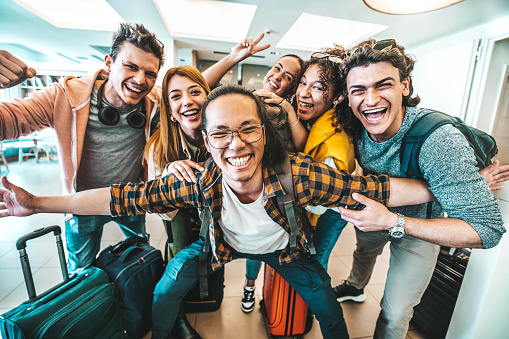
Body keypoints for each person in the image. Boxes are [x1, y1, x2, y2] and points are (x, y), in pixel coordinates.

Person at [0, 84, 439, 339]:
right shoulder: (197, 179)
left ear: (265, 134)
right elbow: (119, 197)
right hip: (219, 247)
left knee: (324, 301)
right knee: (167, 287)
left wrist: (444, 185)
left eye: (248, 128)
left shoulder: (298, 174)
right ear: (207, 143)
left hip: (285, 252)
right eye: (222, 134)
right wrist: (37, 203)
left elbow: (372, 187)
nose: (236, 144)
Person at [332, 38, 506, 339]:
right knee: (363, 253)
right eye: (358, 90)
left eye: (382, 85)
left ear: (405, 86)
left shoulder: (439, 141)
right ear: (348, 97)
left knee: (395, 313)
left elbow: (487, 231)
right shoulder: (352, 125)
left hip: (420, 227)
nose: (370, 100)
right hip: (372, 219)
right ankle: (355, 287)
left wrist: (394, 221)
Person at [0, 23, 164, 273]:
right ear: (109, 62)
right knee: (80, 272)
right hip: (79, 205)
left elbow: (192, 93)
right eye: (130, 66)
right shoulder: (64, 96)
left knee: (141, 256)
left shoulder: (154, 102)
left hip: (130, 199)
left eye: (150, 73)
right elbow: (8, 123)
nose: (140, 80)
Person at [202, 34, 308, 312]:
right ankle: (249, 287)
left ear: (294, 88)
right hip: (235, 186)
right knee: (243, 241)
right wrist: (236, 57)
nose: (279, 77)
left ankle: (267, 298)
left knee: (269, 245)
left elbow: (302, 145)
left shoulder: (290, 111)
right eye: (277, 68)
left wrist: (285, 105)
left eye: (289, 77)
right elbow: (202, 87)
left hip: (274, 192)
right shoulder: (240, 99)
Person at [144, 65, 210, 339]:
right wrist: (169, 177)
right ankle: (174, 321)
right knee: (171, 279)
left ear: (209, 98)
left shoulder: (228, 132)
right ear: (169, 110)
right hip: (182, 223)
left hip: (227, 223)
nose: (187, 101)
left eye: (195, 92)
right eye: (176, 96)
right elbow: (157, 208)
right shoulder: (159, 147)